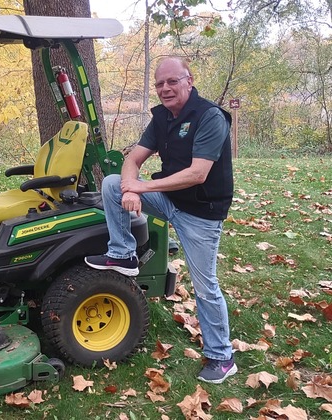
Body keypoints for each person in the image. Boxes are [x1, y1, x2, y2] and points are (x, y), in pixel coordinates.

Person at [85, 56, 237, 384]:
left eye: (172, 81)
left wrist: (143, 186)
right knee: (111, 184)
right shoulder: (162, 118)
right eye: (159, 84)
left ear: (189, 81)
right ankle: (123, 253)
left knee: (205, 285)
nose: (165, 89)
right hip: (169, 200)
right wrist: (129, 186)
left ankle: (222, 356)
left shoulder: (209, 116)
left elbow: (198, 174)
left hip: (201, 212)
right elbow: (133, 158)